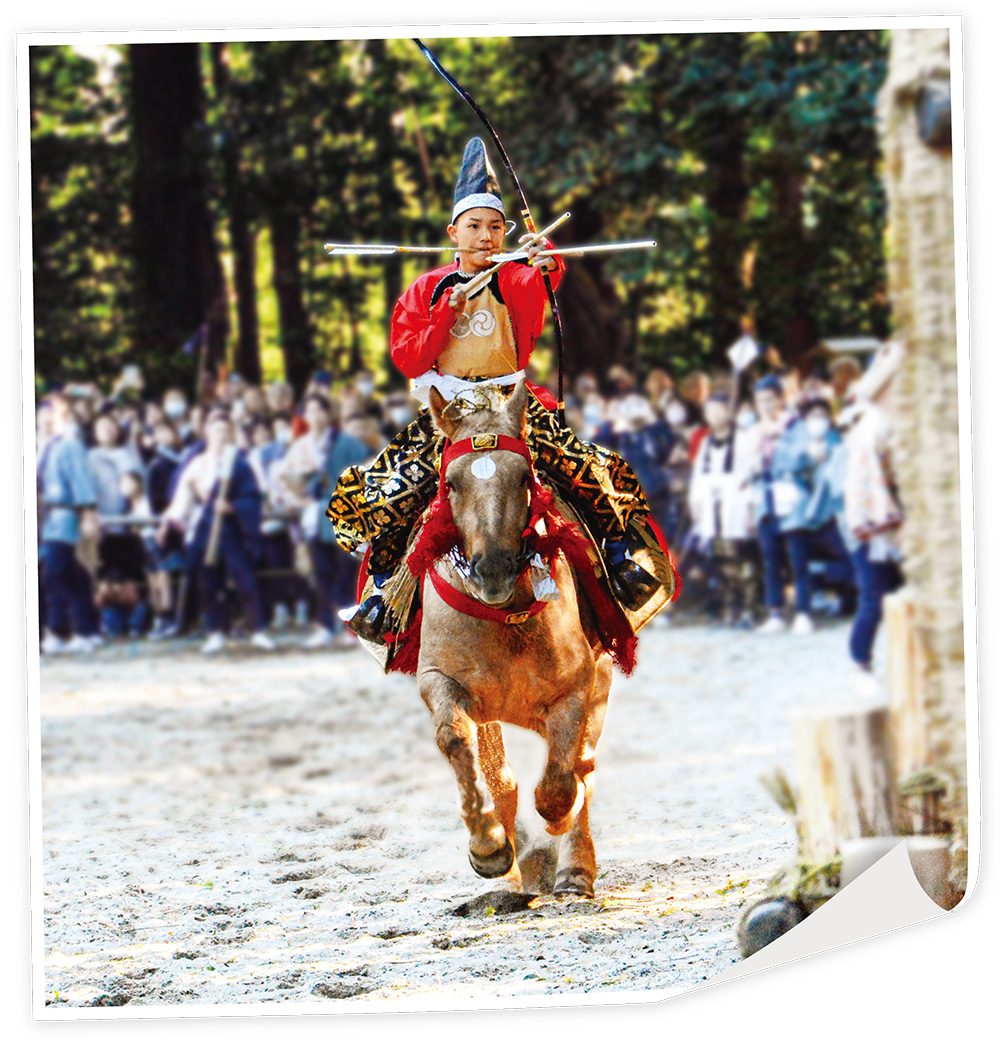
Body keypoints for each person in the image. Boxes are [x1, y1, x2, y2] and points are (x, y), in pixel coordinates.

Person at [327, 137, 666, 645]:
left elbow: (543, 281)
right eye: (474, 227)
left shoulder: (513, 277)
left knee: (584, 470)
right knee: (393, 493)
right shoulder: (427, 289)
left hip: (511, 410)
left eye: (494, 228)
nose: (486, 237)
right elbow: (409, 356)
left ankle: (620, 564)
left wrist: (545, 257)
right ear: (453, 233)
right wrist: (449, 313)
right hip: (450, 415)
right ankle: (383, 595)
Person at [159, 408, 275, 655]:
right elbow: (183, 497)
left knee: (244, 580)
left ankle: (258, 630)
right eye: (216, 429)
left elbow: (253, 497)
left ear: (231, 433)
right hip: (206, 527)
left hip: (232, 529)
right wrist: (170, 521)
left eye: (225, 430)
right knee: (208, 583)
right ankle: (216, 631)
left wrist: (234, 507)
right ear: (207, 431)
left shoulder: (240, 463)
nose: (221, 434)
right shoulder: (197, 463)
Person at [277, 394, 369, 648]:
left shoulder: (346, 442)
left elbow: (365, 470)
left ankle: (350, 628)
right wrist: (298, 494)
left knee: (346, 573)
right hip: (314, 515)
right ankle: (326, 625)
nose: (315, 416)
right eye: (310, 411)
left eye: (319, 410)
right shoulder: (300, 446)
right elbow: (285, 477)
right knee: (322, 572)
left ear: (328, 415)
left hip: (345, 515)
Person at [843, 342, 906, 695]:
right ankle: (860, 663)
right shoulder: (871, 424)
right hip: (875, 519)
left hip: (899, 513)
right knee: (876, 596)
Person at [38, 392, 101, 653]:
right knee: (74, 576)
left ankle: (66, 626)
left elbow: (81, 480)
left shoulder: (70, 444)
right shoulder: (48, 445)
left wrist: (87, 512)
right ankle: (84, 628)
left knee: (54, 574)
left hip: (66, 513)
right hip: (49, 516)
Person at [687, 393, 758, 627]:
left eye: (720, 410)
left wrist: (750, 509)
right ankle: (731, 606)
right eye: (711, 411)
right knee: (719, 561)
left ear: (729, 412)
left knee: (740, 559)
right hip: (711, 508)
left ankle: (747, 608)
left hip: (735, 505)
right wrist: (695, 503)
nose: (715, 415)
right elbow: (698, 477)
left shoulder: (744, 440)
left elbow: (751, 476)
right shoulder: (706, 443)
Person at [745, 374, 800, 633]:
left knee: (797, 555)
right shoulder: (754, 431)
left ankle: (804, 610)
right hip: (763, 497)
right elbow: (745, 468)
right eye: (760, 400)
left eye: (770, 399)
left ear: (780, 398)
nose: (765, 405)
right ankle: (775, 611)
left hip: (791, 496)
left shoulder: (793, 425)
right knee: (771, 557)